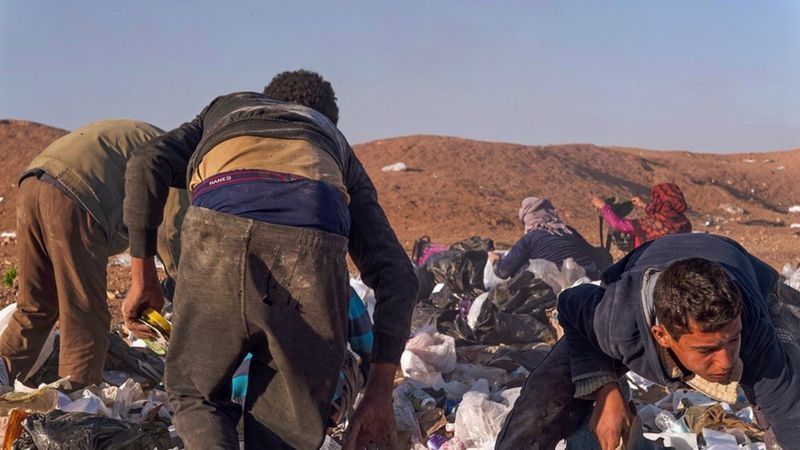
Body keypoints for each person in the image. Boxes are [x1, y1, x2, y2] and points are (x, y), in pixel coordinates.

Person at [122, 70, 417, 450]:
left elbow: (146, 162)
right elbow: (398, 276)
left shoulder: (227, 109)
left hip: (219, 233)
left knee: (197, 393)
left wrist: (143, 278)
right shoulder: (333, 145)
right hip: (310, 245)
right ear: (322, 118)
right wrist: (378, 393)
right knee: (287, 423)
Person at [495, 233, 800, 449]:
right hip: (647, 264)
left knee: (789, 394)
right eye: (707, 349)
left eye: (732, 341)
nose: (726, 361)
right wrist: (605, 388)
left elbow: (789, 414)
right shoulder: (617, 320)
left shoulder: (751, 325)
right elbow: (572, 303)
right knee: (546, 396)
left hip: (738, 265)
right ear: (661, 335)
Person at [0, 120, 163, 389]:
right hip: (77, 194)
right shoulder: (182, 165)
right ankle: (74, 408)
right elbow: (175, 243)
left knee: (36, 306)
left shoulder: (155, 140)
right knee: (85, 317)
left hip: (33, 182)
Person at [488, 197, 606, 280]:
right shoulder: (567, 230)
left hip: (559, 282)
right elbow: (595, 255)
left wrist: (495, 260)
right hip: (590, 276)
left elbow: (503, 272)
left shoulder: (529, 239)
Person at [591, 182, 692, 248]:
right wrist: (644, 206)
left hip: (649, 266)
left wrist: (603, 206)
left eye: (656, 198)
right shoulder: (684, 222)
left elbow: (618, 224)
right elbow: (663, 214)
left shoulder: (654, 223)